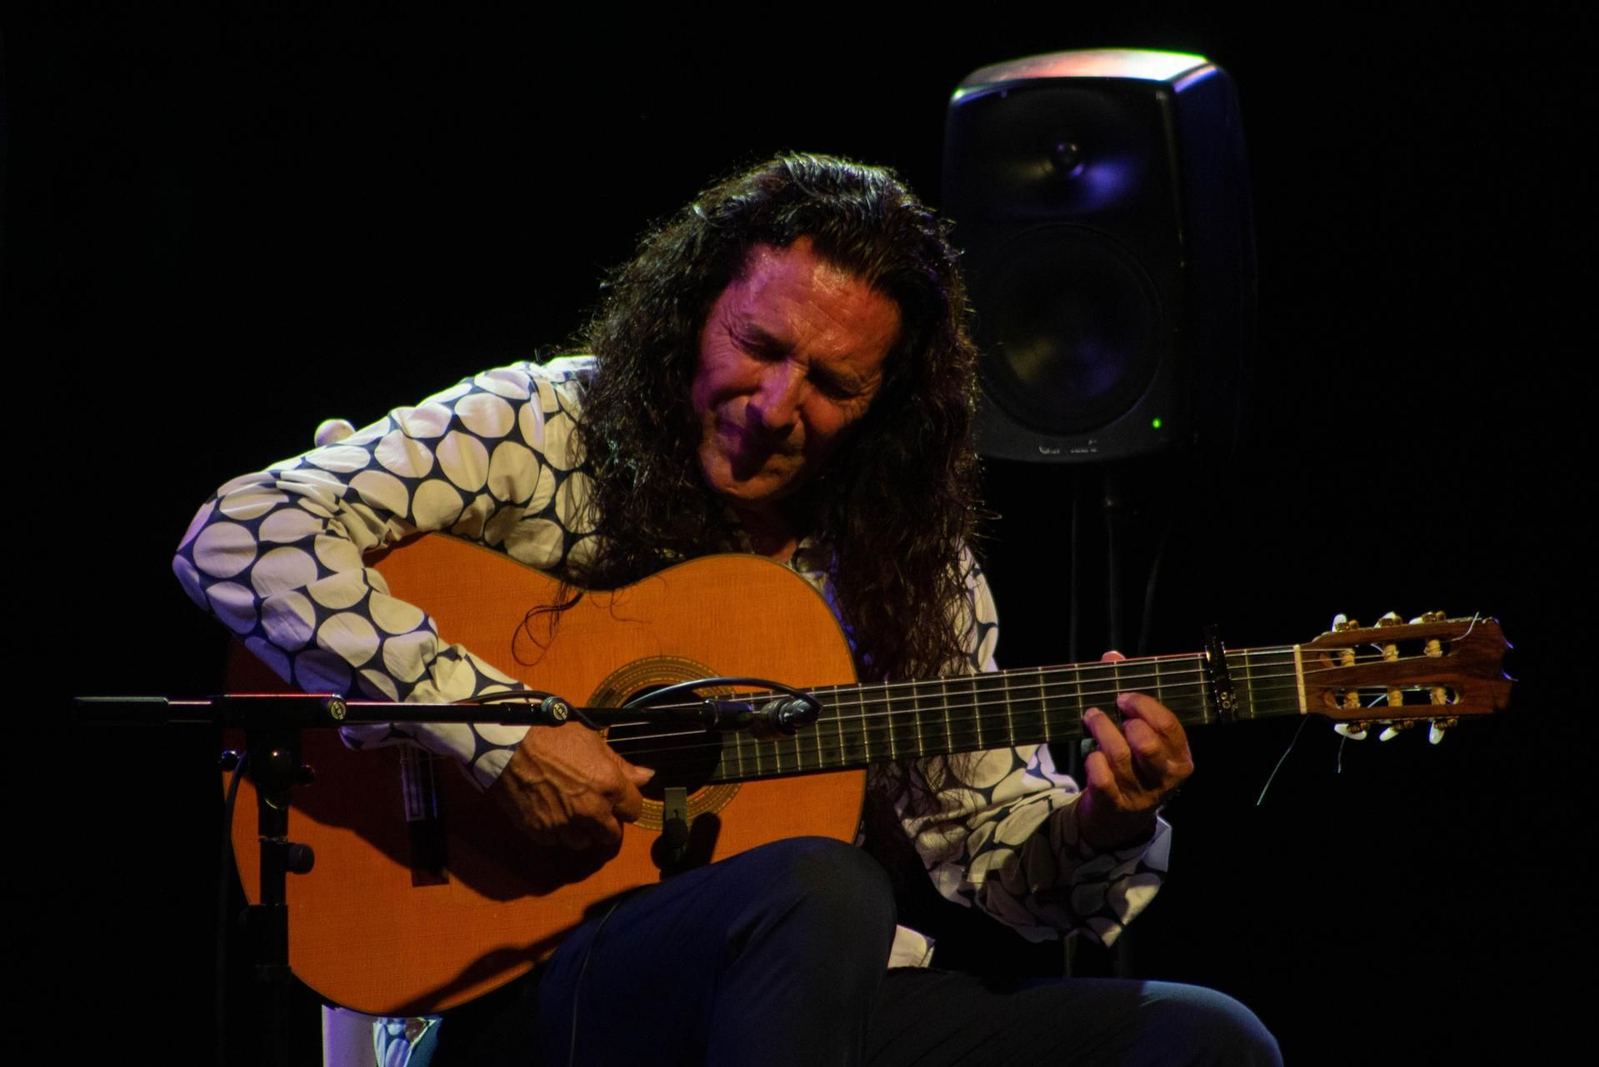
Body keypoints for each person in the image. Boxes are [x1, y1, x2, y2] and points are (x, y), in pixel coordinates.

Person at [175, 153, 1279, 1065]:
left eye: (833, 385)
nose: (772, 408)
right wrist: (499, 734)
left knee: (1202, 1038)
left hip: (798, 994)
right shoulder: (544, 424)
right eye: (756, 347)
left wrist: (1106, 819)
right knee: (821, 881)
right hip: (515, 995)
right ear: (696, 307)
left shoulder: (907, 560)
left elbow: (998, 856)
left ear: (885, 405)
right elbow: (241, 533)